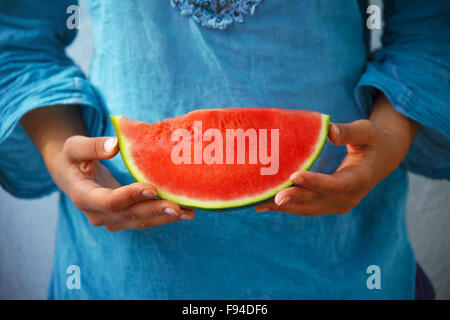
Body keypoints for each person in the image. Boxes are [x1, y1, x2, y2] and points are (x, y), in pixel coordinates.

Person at [0, 0, 448, 299]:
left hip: (343, 269)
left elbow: (432, 31)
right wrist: (61, 153)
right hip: (124, 276)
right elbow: (17, 40)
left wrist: (388, 138)